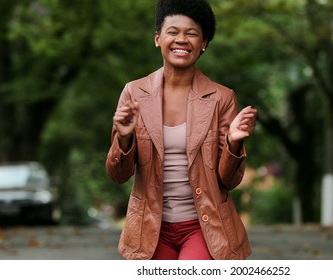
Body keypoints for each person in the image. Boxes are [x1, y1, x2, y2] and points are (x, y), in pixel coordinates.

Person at [106, 0, 257, 260]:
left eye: (192, 33)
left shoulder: (221, 98)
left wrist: (233, 144)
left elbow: (228, 182)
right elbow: (118, 175)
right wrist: (125, 136)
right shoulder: (134, 93)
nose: (182, 39)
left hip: (204, 226)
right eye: (173, 32)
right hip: (149, 229)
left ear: (204, 43)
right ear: (158, 39)